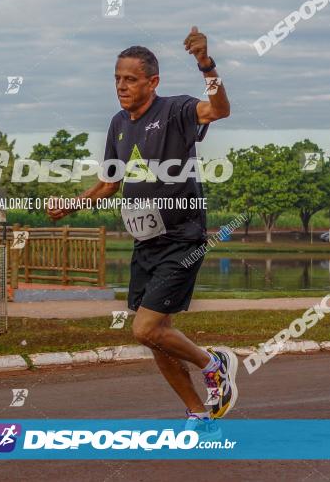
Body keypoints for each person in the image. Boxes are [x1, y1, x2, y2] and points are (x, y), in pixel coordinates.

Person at [47, 26, 237, 426]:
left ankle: (212, 364)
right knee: (156, 337)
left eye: (130, 79)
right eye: (117, 78)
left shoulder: (176, 110)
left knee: (145, 327)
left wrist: (206, 64)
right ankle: (196, 412)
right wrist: (73, 204)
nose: (121, 85)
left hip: (182, 238)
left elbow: (219, 109)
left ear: (153, 82)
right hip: (144, 241)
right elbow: (109, 182)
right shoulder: (118, 123)